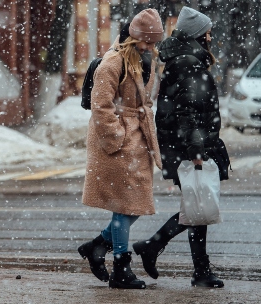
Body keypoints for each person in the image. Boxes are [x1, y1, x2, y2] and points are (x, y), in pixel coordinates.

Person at [132, 6, 230, 288]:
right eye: (207, 32)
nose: (210, 37)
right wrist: (196, 151)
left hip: (185, 144)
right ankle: (170, 256)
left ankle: (157, 249)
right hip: (187, 145)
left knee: (196, 207)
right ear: (198, 34)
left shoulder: (187, 58)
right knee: (197, 207)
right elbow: (188, 111)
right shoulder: (188, 61)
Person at [77, 8, 164, 289]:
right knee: (124, 205)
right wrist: (117, 137)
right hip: (119, 142)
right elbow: (101, 106)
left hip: (136, 139)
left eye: (154, 43)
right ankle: (121, 268)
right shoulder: (113, 62)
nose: (151, 48)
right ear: (133, 38)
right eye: (147, 42)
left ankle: (97, 246)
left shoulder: (144, 58)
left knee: (135, 204)